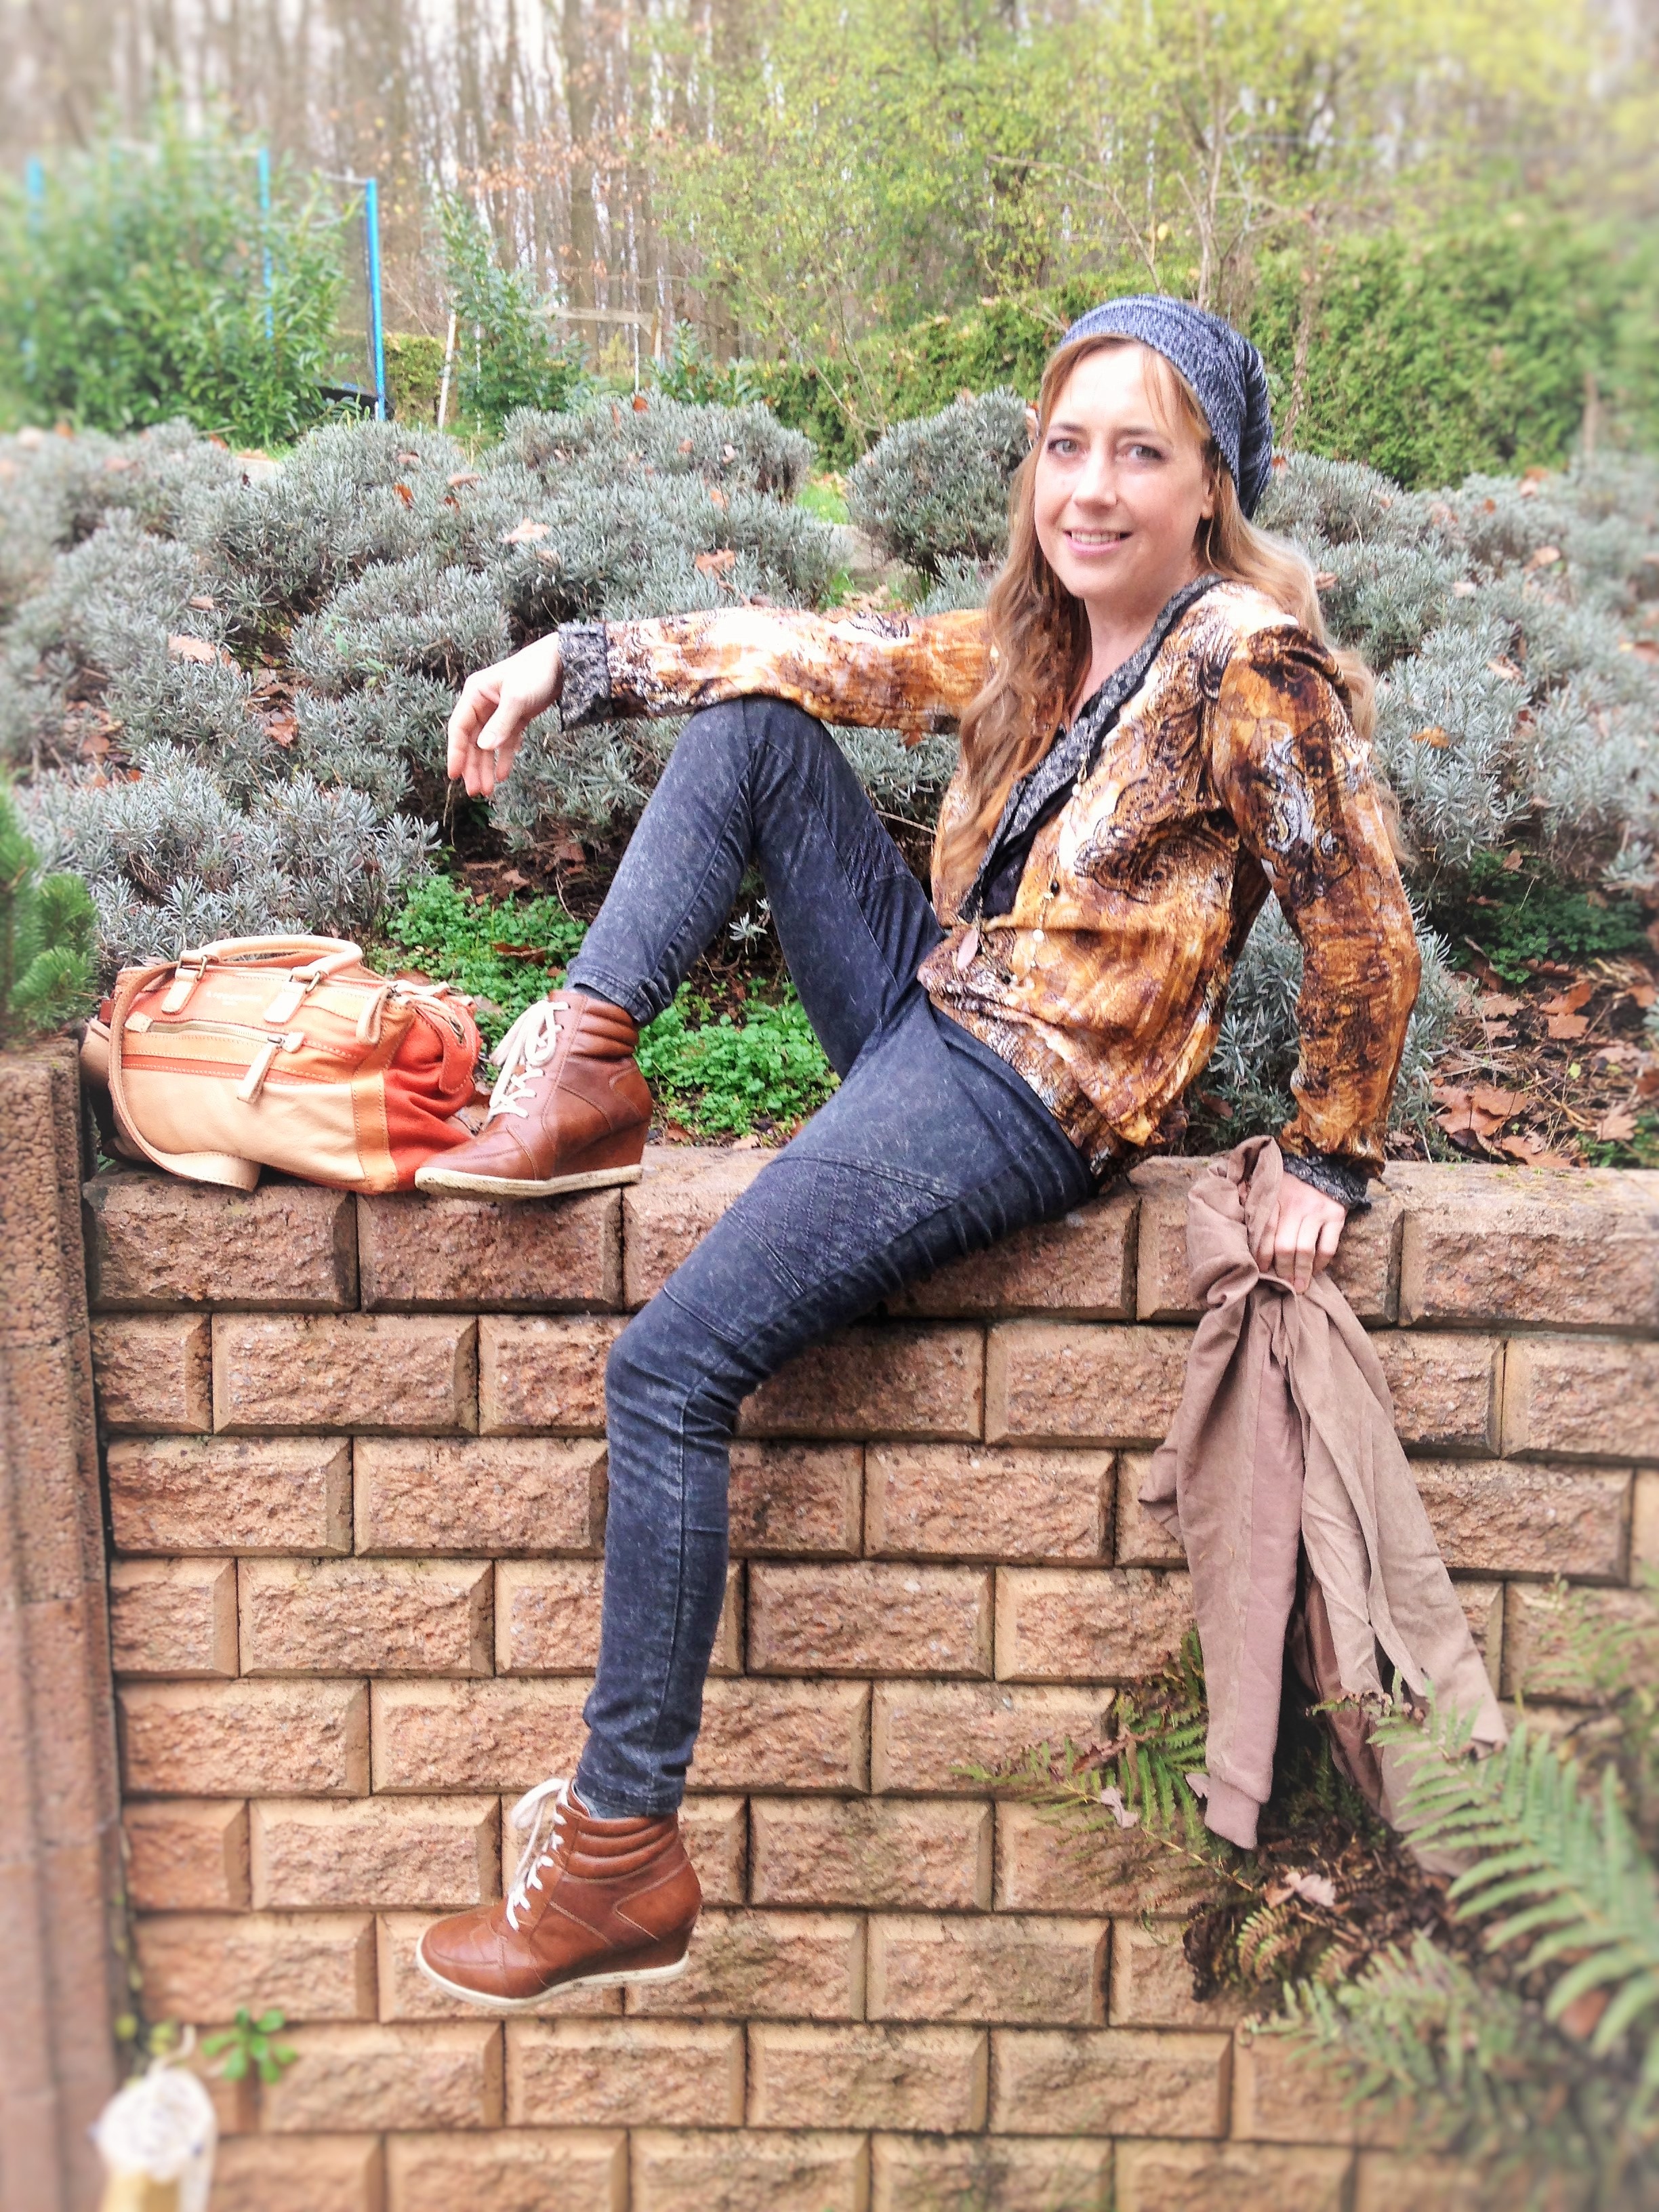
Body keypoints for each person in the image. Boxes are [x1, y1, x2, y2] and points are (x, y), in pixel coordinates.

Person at [412, 295, 1421, 2014]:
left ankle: (620, 1852)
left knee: (669, 1370)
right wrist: (572, 664)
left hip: (1029, 1094)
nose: (1089, 487)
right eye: (1066, 445)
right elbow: (830, 652)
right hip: (935, 1009)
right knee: (756, 727)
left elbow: (1364, 922)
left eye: (1141, 453)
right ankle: (586, 1062)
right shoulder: (1052, 635)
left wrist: (1331, 1157)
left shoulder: (1245, 661)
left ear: (1211, 483)